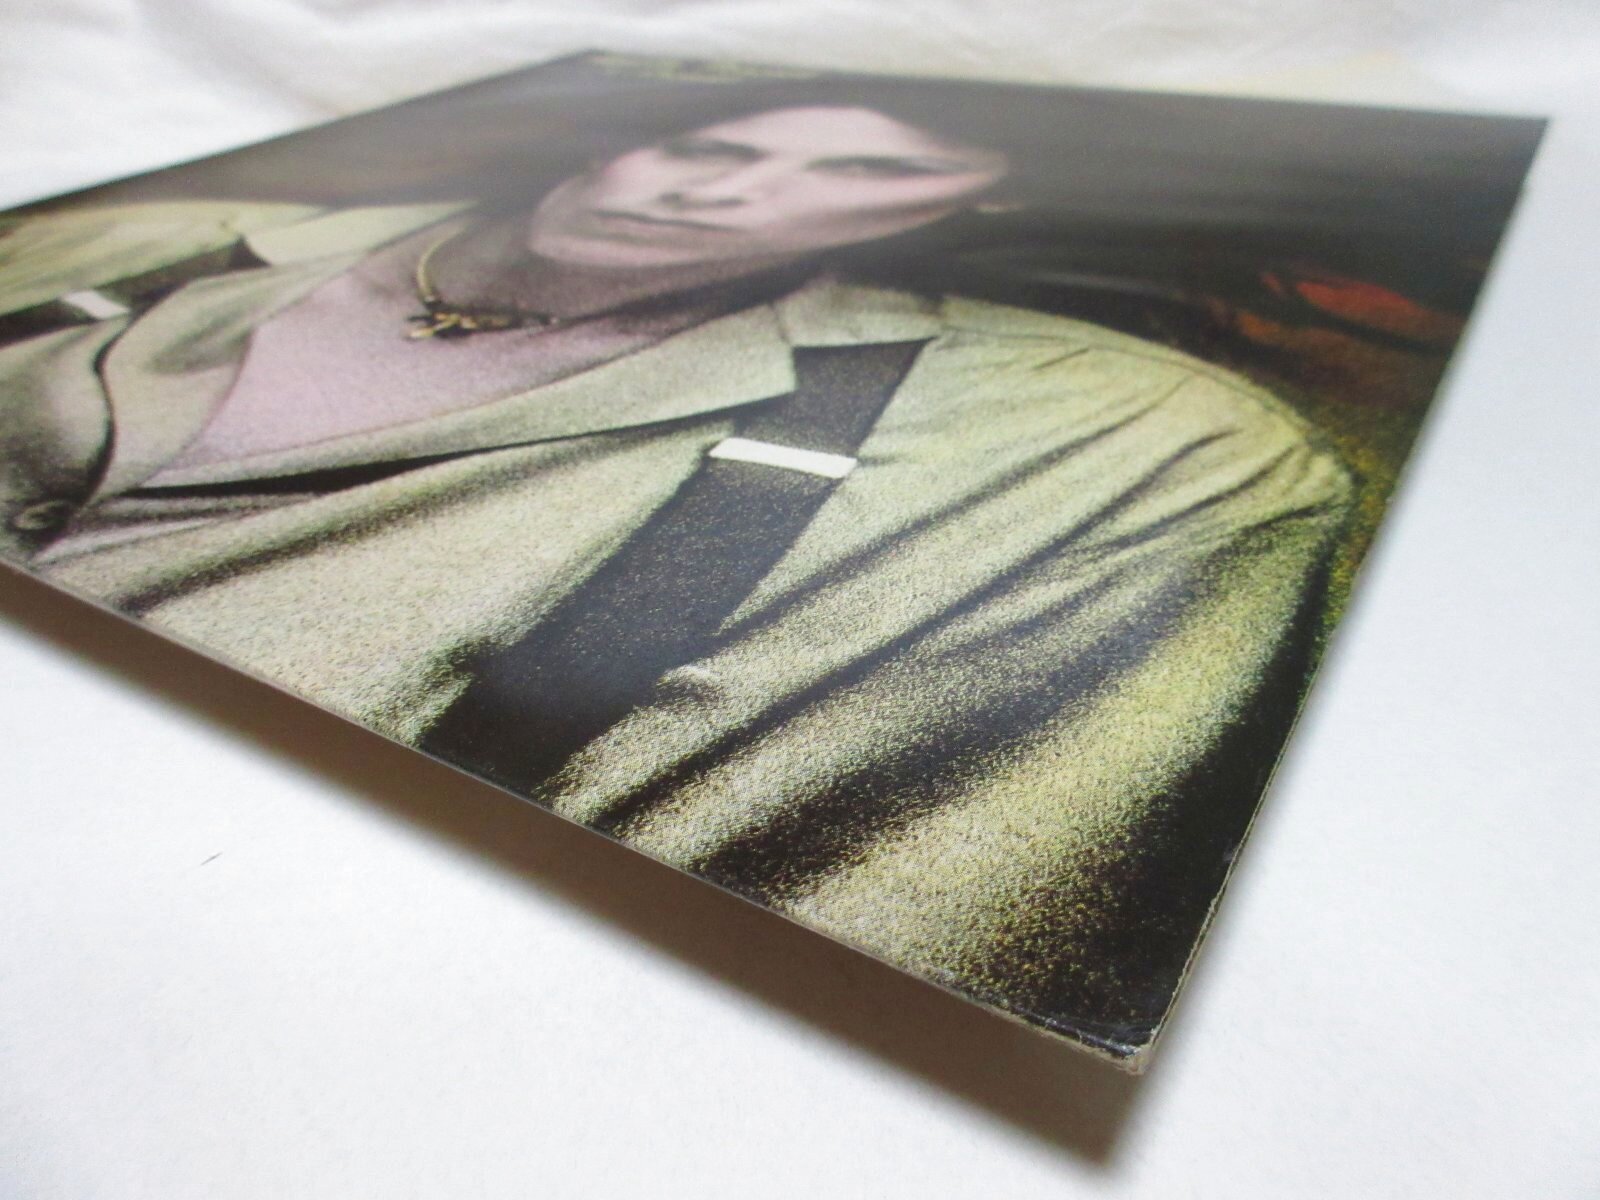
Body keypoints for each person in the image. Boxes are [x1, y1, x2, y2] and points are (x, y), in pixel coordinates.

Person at [0, 102, 1351, 1049]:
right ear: (620, 128)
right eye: (709, 143)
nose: (720, 192)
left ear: (971, 201)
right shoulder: (149, 240)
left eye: (866, 170)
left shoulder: (1096, 430)